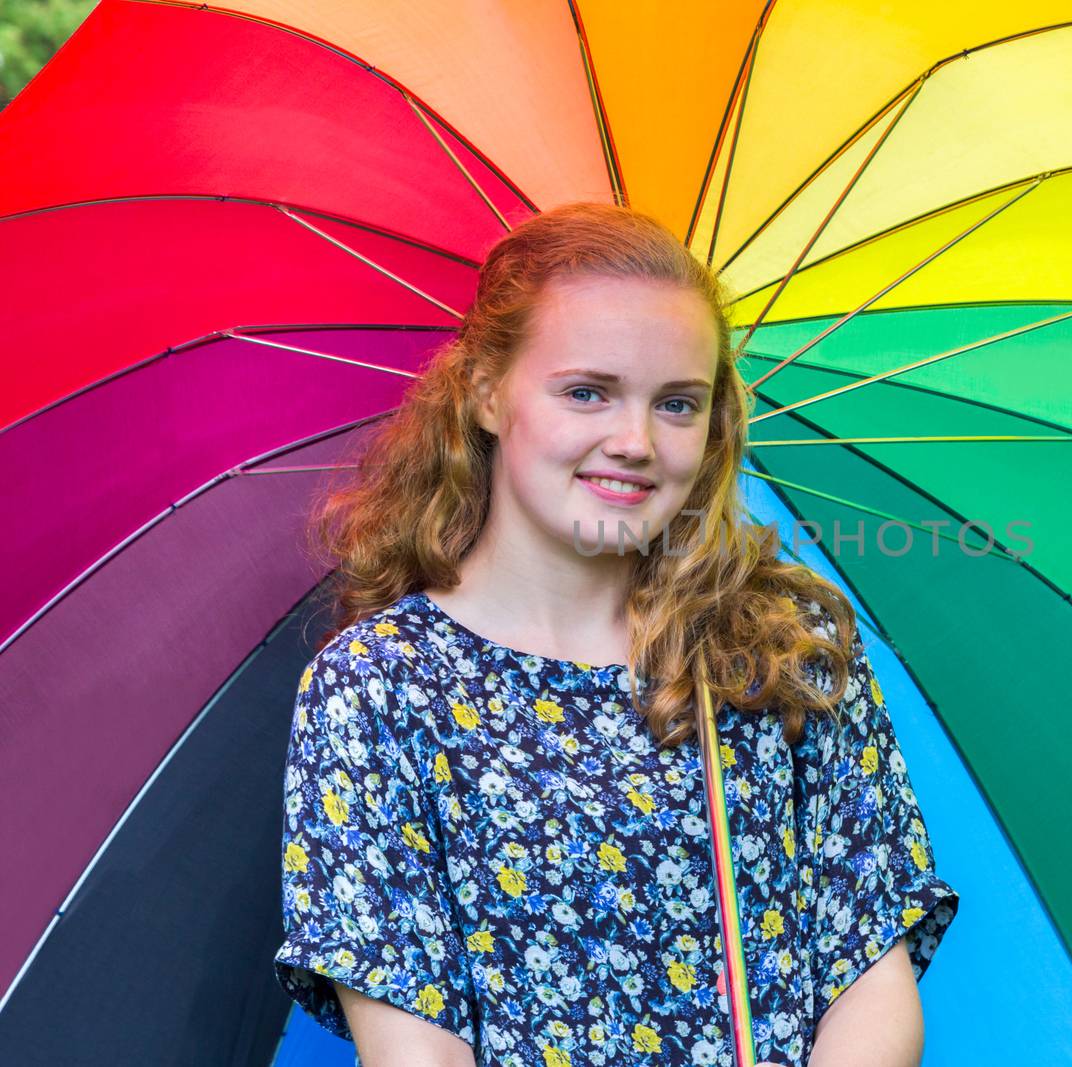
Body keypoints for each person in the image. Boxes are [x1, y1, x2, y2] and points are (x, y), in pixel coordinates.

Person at [272, 201, 958, 1067]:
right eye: (587, 391)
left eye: (676, 403)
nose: (634, 441)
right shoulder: (381, 687)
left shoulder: (780, 645)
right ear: (487, 392)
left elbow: (870, 977)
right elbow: (418, 1050)